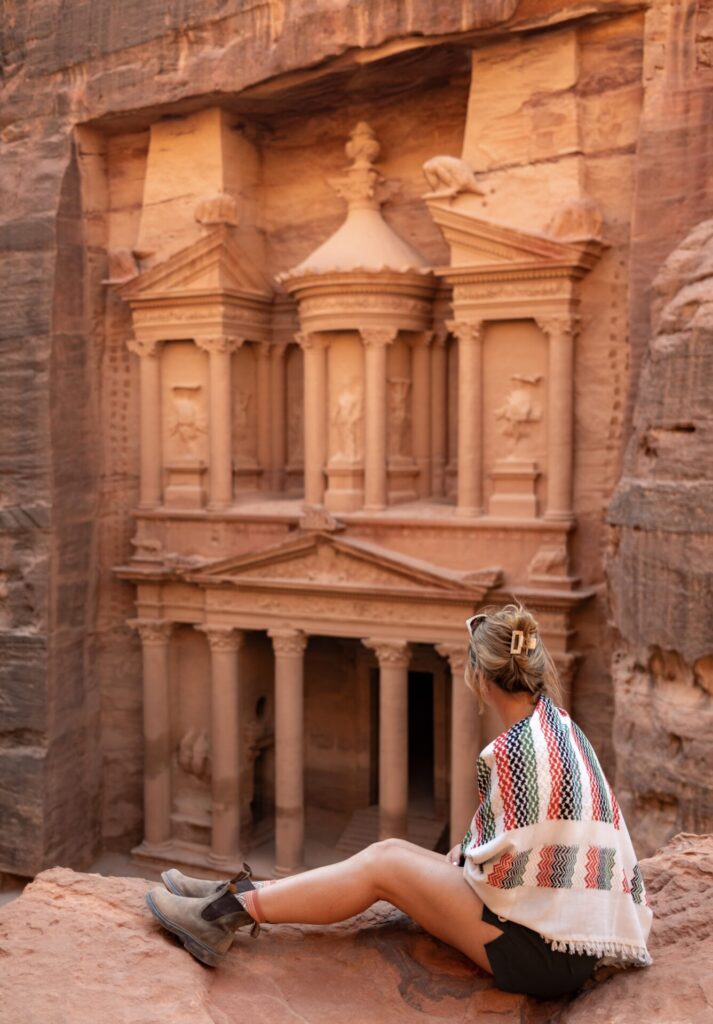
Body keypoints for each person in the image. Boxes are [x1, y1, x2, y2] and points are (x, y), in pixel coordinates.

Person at [145, 603, 653, 999]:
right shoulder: (560, 726)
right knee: (392, 849)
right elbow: (527, 846)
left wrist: (467, 861)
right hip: (576, 938)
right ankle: (227, 894)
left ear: (478, 677)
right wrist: (468, 857)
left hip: (543, 956)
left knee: (384, 866)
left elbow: (499, 876)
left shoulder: (512, 749)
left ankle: (221, 917)